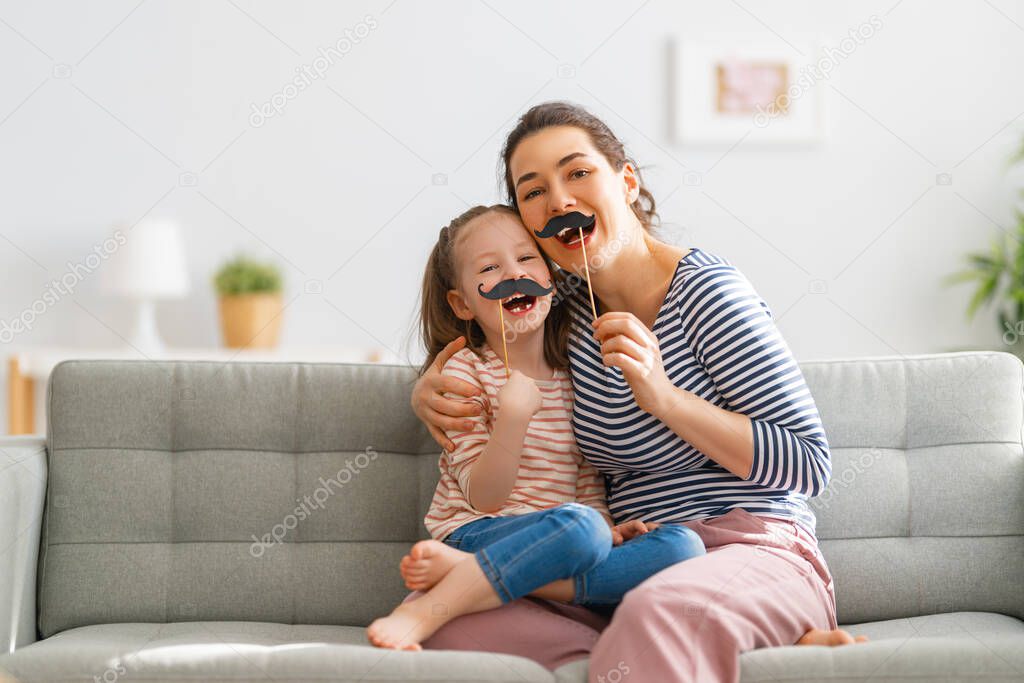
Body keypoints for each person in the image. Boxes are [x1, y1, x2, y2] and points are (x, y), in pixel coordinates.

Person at [409, 102, 866, 682]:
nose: (559, 201)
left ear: (626, 181)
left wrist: (665, 397)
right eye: (533, 191)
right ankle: (714, 650)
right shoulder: (562, 312)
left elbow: (809, 466)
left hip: (746, 545)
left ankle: (704, 633)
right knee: (457, 627)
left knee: (664, 612)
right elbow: (484, 345)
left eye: (577, 173)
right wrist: (426, 390)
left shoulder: (707, 292)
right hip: (624, 569)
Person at [367, 203, 706, 651]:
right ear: (462, 303)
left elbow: (587, 484)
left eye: (527, 259)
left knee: (684, 547)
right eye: (490, 267)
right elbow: (484, 496)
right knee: (581, 529)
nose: (514, 273)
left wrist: (609, 527)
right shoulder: (465, 376)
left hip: (566, 538)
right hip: (480, 530)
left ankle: (468, 573)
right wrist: (511, 419)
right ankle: (429, 607)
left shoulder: (577, 375)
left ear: (551, 277)